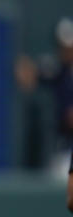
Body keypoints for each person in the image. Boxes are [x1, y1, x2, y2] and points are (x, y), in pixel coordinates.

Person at [16, 17, 73, 178]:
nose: (66, 50)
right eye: (63, 46)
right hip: (64, 151)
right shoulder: (59, 70)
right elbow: (27, 77)